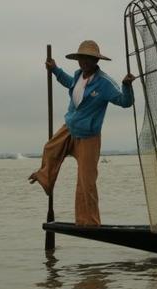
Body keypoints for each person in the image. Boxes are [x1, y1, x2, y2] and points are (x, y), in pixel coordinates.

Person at [28, 40, 135, 226]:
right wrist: (54, 69)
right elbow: (68, 82)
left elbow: (125, 102)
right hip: (70, 128)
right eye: (81, 58)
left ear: (95, 61)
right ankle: (45, 178)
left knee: (86, 181)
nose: (84, 62)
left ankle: (89, 221)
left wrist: (127, 85)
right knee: (50, 149)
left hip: (89, 137)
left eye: (88, 59)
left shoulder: (104, 83)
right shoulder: (78, 76)